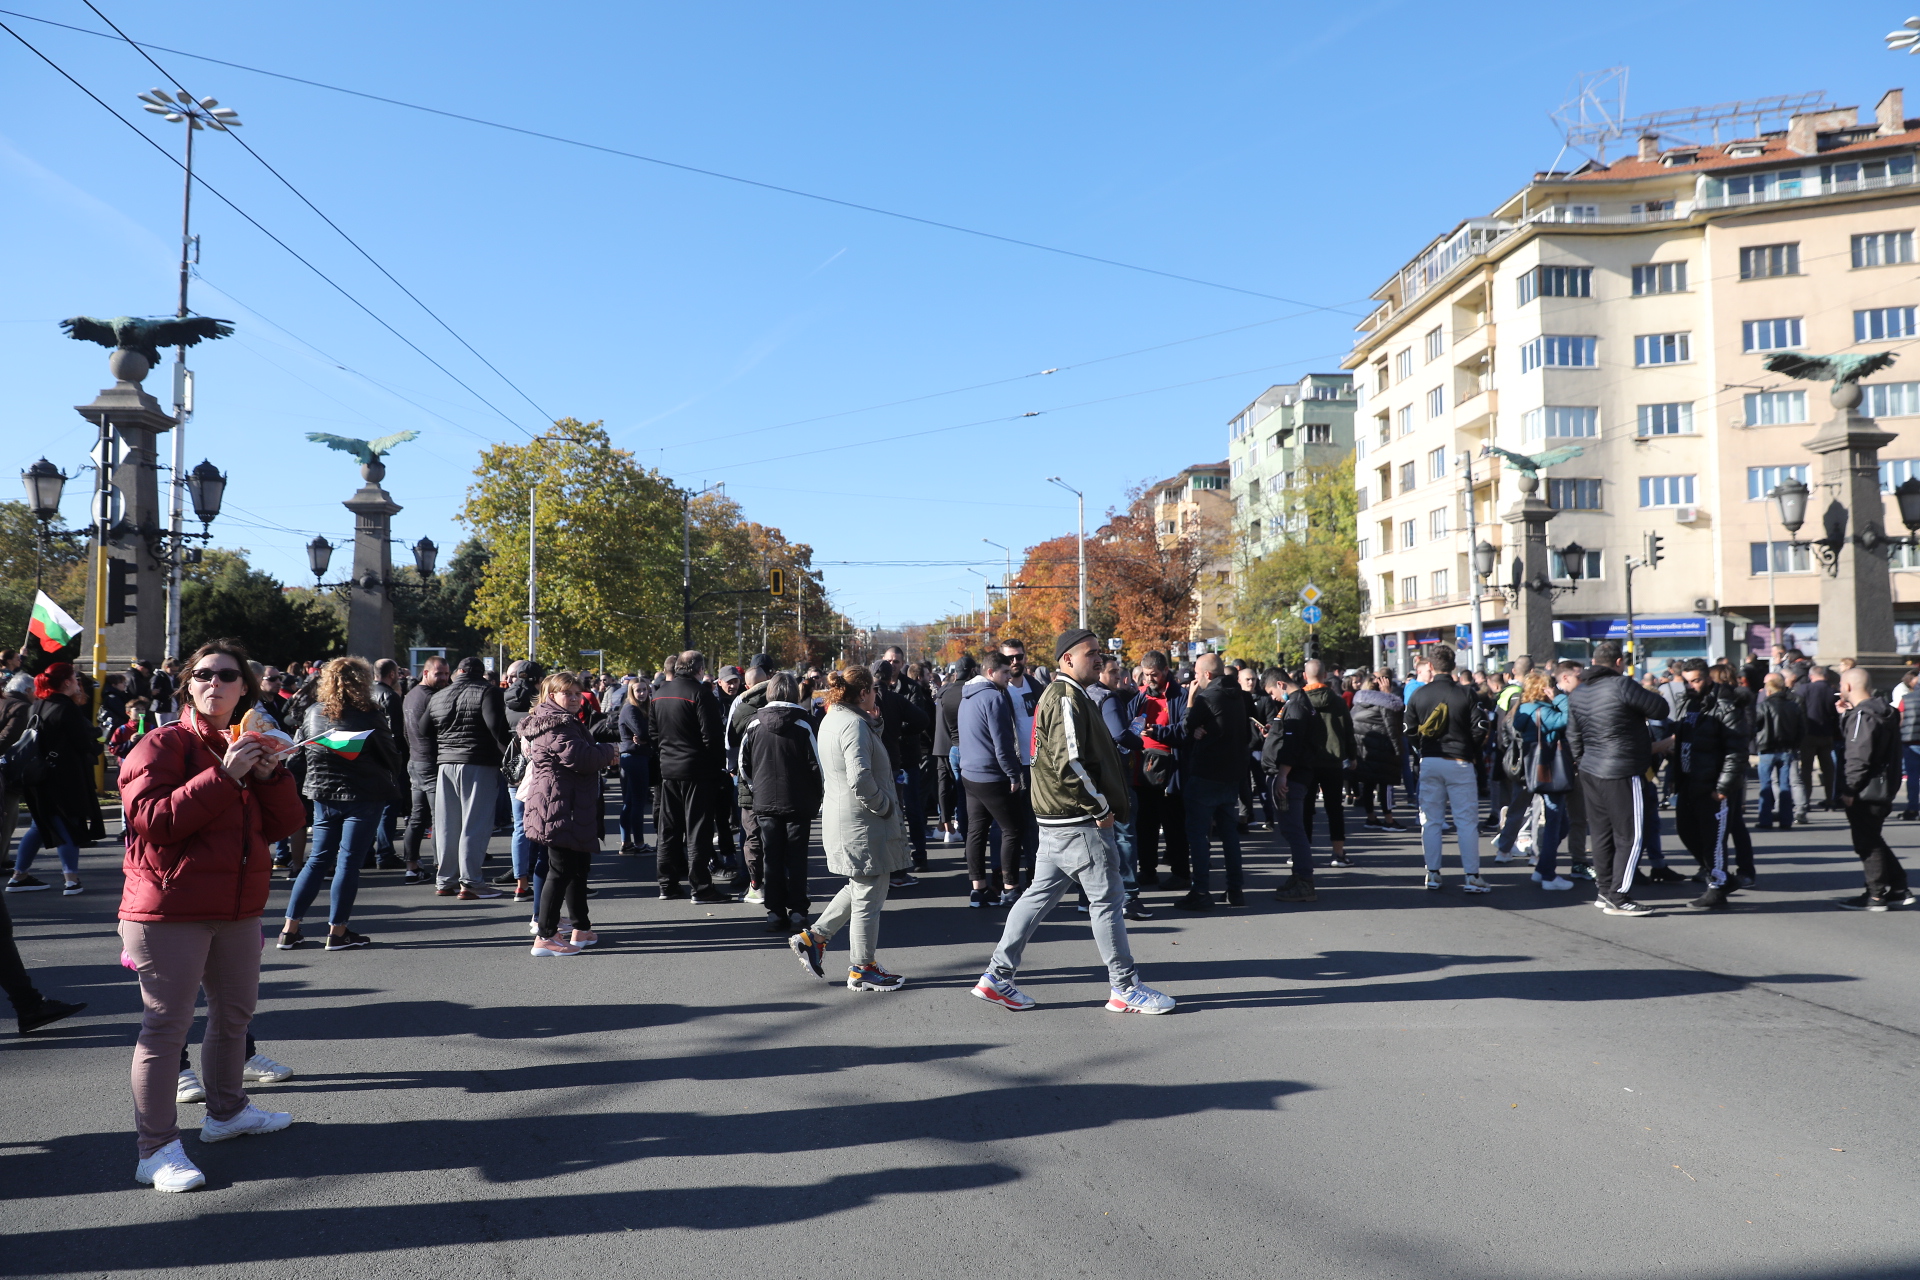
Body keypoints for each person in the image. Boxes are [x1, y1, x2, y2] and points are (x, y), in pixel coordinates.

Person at [118, 638, 306, 1193]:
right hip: (168, 909)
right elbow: (154, 822)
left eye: (227, 676)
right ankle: (155, 1149)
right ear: (189, 684)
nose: (215, 684)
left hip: (237, 907)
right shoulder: (162, 744)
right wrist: (225, 774)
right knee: (165, 1029)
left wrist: (270, 776)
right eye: (204, 674)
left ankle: (227, 1113)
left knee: (234, 1017)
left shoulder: (248, 742)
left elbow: (282, 826)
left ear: (244, 687)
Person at [971, 629, 1174, 1014]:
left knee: (1037, 897)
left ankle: (997, 977)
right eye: (1091, 653)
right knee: (1109, 902)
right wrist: (1101, 808)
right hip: (1078, 822)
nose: (1099, 659)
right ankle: (1125, 987)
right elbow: (1070, 763)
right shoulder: (1065, 697)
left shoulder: (1064, 694)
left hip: (1060, 820)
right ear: (1067, 659)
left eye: (1100, 653)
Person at [787, 664, 911, 991]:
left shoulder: (836, 718)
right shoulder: (853, 724)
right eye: (873, 690)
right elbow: (860, 777)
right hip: (863, 823)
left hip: (849, 820)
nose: (876, 695)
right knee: (868, 895)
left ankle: (814, 938)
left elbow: (859, 759)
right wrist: (884, 806)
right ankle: (862, 967)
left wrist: (875, 722)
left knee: (861, 887)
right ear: (863, 693)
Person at [280, 658, 406, 950]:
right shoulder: (369, 714)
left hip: (323, 793)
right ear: (361, 682)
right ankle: (337, 932)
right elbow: (391, 755)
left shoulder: (313, 713)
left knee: (317, 859)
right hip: (363, 795)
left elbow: (298, 755)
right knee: (348, 862)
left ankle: (289, 929)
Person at [1566, 640, 1672, 916]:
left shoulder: (1578, 692)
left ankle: (1604, 891)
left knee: (1602, 834)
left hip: (1590, 768)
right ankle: (1619, 895)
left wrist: (1581, 760)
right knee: (1631, 835)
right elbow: (1660, 709)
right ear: (1617, 662)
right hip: (1622, 767)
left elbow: (1573, 735)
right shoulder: (1622, 685)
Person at [518, 671, 619, 956]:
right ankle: (546, 936)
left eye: (577, 693)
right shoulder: (555, 724)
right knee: (560, 870)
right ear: (552, 696)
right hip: (559, 805)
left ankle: (581, 928)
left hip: (569, 803)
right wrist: (609, 750)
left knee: (577, 869)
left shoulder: (561, 720)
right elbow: (580, 758)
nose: (575, 698)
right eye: (568, 693)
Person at [6, 662, 100, 897]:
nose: (79, 682)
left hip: (39, 775)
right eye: (75, 678)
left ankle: (19, 876)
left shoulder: (37, 704)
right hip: (64, 777)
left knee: (39, 825)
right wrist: (95, 743)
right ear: (67, 682)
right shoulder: (66, 708)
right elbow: (82, 743)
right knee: (68, 822)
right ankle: (71, 880)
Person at [739, 672, 822, 933]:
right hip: (798, 801)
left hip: (764, 801)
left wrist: (756, 788)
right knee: (797, 857)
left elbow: (744, 764)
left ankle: (774, 912)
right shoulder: (805, 723)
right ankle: (797, 911)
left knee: (771, 858)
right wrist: (819, 795)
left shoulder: (753, 723)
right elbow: (817, 765)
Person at [1269, 658, 1356, 904]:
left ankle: (1302, 858)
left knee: (1303, 813)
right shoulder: (1337, 702)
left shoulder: (1299, 703)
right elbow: (1347, 730)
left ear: (1305, 677)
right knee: (1334, 809)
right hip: (1332, 762)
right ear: (1326, 675)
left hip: (1306, 763)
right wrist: (1352, 755)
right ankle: (1338, 852)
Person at [1404, 646, 1490, 893]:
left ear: (1430, 666)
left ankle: (1432, 874)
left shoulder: (1419, 695)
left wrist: (1422, 749)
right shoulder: (1466, 693)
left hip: (1430, 759)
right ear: (1453, 666)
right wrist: (1468, 749)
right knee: (1466, 821)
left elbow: (1408, 730)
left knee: (1430, 820)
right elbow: (1481, 727)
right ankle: (1472, 876)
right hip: (1459, 761)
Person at [426, 656, 510, 900]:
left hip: (445, 764)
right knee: (475, 824)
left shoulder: (439, 695)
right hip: (478, 763)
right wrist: (511, 758)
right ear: (481, 673)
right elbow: (496, 727)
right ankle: (471, 882)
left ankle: (445, 880)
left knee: (446, 825)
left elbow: (423, 730)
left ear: (458, 672)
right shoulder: (488, 691)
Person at [651, 650, 730, 903]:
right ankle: (701, 886)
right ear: (699, 669)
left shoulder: (660, 692)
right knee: (698, 829)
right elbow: (713, 737)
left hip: (669, 769)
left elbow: (653, 734)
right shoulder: (700, 694)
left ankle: (667, 883)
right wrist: (717, 768)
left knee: (669, 829)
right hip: (697, 771)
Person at [1833, 668, 1915, 910]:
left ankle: (1876, 894)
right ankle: (1898, 887)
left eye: (1841, 683)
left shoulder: (1863, 715)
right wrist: (1844, 716)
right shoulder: (1881, 711)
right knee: (1872, 837)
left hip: (1866, 789)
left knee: (1867, 842)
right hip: (1882, 786)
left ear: (1848, 686)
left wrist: (1849, 789)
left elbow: (1859, 755)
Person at [1670, 659, 1745, 911]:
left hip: (1713, 786)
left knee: (1714, 840)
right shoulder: (1686, 704)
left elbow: (1736, 752)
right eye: (1687, 681)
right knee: (1685, 831)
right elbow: (1680, 744)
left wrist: (1723, 787)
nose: (1691, 685)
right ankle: (1722, 878)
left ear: (1708, 678)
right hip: (1689, 783)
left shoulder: (1725, 708)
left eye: (1696, 680)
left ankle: (1716, 886)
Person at [1177, 653, 1250, 911]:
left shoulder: (1208, 697)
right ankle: (1235, 889)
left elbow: (1187, 724)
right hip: (1230, 775)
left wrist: (1189, 701)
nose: (1194, 678)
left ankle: (1200, 891)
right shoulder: (1238, 694)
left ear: (1208, 674)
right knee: (1229, 835)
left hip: (1206, 773)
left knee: (1198, 836)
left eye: (1197, 673)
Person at [958, 651, 1030, 907]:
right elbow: (1003, 743)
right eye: (1004, 672)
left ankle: (978, 889)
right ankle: (1010, 888)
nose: (1009, 678)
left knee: (976, 831)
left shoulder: (966, 696)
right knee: (1013, 830)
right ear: (990, 672)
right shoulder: (994, 698)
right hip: (991, 775)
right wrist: (1013, 773)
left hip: (970, 774)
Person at [1129, 651, 1189, 890]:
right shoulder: (1141, 695)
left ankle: (1180, 872)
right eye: (1145, 675)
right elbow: (1128, 723)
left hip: (1169, 772)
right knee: (1146, 824)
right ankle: (1148, 870)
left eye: (1153, 675)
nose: (1149, 679)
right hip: (1141, 771)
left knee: (1173, 824)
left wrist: (1158, 732)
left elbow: (1185, 730)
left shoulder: (1179, 696)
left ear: (1165, 671)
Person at [1512, 669, 1575, 890]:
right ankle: (1548, 875)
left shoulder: (1524, 709)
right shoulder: (1542, 711)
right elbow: (1568, 717)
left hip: (1536, 769)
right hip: (1551, 769)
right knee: (1555, 823)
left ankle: (1541, 870)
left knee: (1560, 823)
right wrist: (1559, 698)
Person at [400, 656, 449, 884]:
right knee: (440, 817)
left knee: (418, 817)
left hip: (416, 761)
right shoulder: (432, 697)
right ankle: (441, 868)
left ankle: (412, 866)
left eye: (446, 674)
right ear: (426, 673)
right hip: (429, 762)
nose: (444, 678)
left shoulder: (410, 695)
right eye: (439, 673)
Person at [1350, 670, 1405, 830]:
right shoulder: (1385, 704)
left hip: (1365, 751)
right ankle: (1389, 820)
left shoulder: (1357, 704)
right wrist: (1398, 751)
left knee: (1368, 785)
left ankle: (1371, 818)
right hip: (1383, 750)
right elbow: (1392, 728)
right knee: (1386, 785)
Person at [368, 659, 407, 871]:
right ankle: (385, 852)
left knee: (371, 807)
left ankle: (367, 851)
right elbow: (396, 733)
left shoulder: (365, 693)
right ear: (392, 674)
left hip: (367, 757)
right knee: (389, 807)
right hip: (386, 759)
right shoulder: (390, 696)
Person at [1754, 672, 1805, 831]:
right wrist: (1796, 746)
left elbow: (1755, 725)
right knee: (1785, 784)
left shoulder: (1763, 706)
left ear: (1768, 691)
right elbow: (1801, 729)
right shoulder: (1793, 706)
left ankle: (1765, 819)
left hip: (1767, 748)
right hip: (1787, 749)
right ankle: (1786, 820)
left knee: (1766, 785)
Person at [1795, 664, 1840, 814]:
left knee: (1806, 769)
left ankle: (1806, 800)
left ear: (1811, 676)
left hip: (1808, 735)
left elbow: (1799, 711)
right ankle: (1830, 799)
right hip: (1827, 735)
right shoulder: (1833, 691)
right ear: (1826, 676)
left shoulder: (1804, 689)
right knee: (1828, 769)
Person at [617, 674, 654, 856]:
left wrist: (647, 738)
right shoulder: (631, 709)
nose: (641, 693)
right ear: (631, 692)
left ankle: (627, 843)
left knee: (630, 802)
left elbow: (646, 734)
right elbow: (643, 732)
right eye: (637, 690)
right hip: (634, 758)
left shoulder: (641, 709)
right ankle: (638, 843)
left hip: (633, 757)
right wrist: (648, 739)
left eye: (644, 690)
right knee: (636, 802)